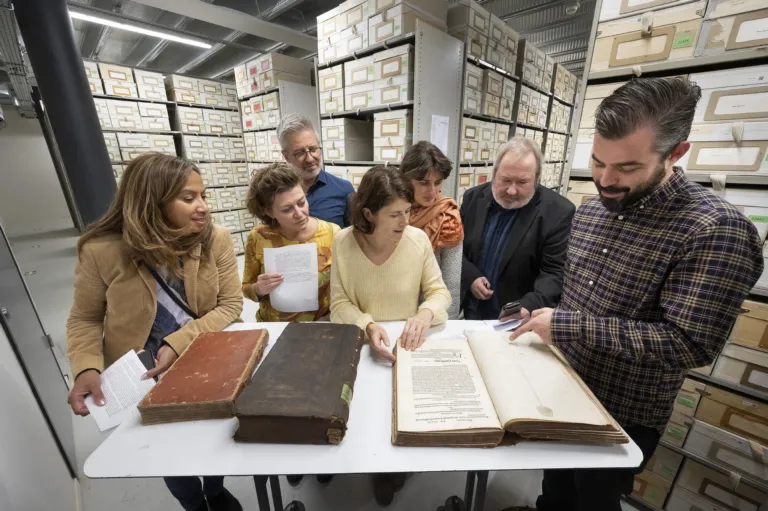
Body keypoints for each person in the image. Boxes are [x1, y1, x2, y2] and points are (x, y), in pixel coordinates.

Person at [505, 78, 764, 511]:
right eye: (597, 161)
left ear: (676, 153)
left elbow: (689, 342)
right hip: (563, 387)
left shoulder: (715, 230)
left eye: (626, 168)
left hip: (622, 413)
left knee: (591, 501)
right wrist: (544, 310)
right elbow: (577, 293)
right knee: (554, 489)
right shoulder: (591, 211)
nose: (605, 180)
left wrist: (567, 325)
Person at [66, 153, 244, 511]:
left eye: (203, 196)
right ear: (152, 203)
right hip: (139, 371)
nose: (203, 208)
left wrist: (177, 343)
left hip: (203, 354)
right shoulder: (101, 251)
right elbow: (84, 318)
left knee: (209, 433)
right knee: (164, 447)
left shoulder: (215, 239)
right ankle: (193, 503)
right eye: (188, 198)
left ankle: (214, 490)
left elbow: (230, 305)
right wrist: (86, 367)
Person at [330, 165, 451, 507]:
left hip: (407, 347)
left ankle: (393, 471)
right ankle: (375, 470)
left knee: (404, 418)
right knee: (365, 421)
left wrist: (425, 313)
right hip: (363, 345)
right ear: (368, 213)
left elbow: (440, 293)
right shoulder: (343, 242)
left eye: (408, 212)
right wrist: (368, 325)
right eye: (395, 214)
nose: (405, 221)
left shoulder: (417, 240)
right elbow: (339, 304)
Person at [460, 137, 575, 321]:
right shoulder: (472, 198)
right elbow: (457, 250)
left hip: (518, 319)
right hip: (472, 310)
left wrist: (529, 305)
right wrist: (470, 276)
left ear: (536, 179)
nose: (512, 191)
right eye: (505, 180)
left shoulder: (559, 213)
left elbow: (554, 273)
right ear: (494, 173)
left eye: (522, 183)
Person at [241, 162, 340, 322]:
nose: (299, 213)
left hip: (321, 324)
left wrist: (331, 317)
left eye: (301, 203)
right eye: (287, 209)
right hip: (274, 326)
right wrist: (258, 289)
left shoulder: (332, 233)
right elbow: (246, 287)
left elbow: (346, 288)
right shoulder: (258, 237)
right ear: (269, 212)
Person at [400, 141, 464, 319]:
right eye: (424, 183)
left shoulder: (448, 218)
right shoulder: (393, 211)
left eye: (437, 182)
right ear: (406, 179)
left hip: (431, 315)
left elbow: (451, 285)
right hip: (393, 310)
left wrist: (446, 327)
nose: (433, 191)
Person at [278, 113, 354, 228]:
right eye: (299, 152)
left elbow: (353, 236)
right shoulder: (276, 193)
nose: (309, 158)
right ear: (286, 156)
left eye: (313, 149)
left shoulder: (344, 189)